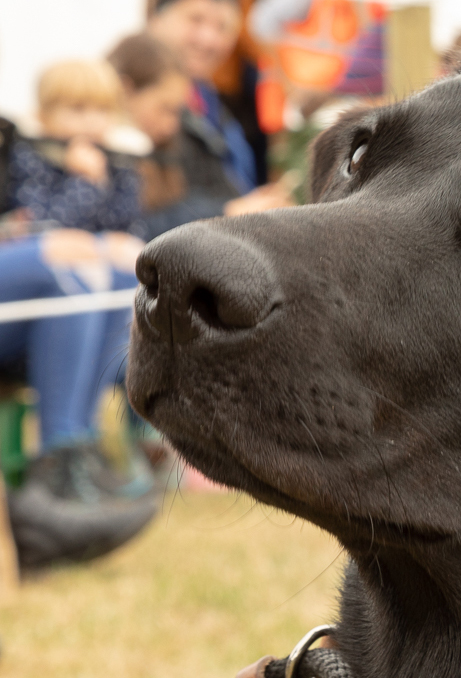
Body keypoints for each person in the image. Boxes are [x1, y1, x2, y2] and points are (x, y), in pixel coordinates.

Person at [0, 60, 156, 569]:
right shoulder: (30, 157)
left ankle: (79, 447)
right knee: (75, 264)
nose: (89, 122)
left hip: (47, 289)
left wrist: (116, 237)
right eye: (75, 109)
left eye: (100, 110)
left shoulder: (120, 162)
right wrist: (85, 182)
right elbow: (50, 224)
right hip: (28, 284)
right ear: (44, 114)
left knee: (117, 275)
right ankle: (60, 457)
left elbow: (123, 226)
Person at [147, 0, 290, 225]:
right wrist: (228, 210)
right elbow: (133, 214)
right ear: (155, 17)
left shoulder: (216, 109)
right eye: (195, 19)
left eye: (222, 27)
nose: (208, 40)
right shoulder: (126, 100)